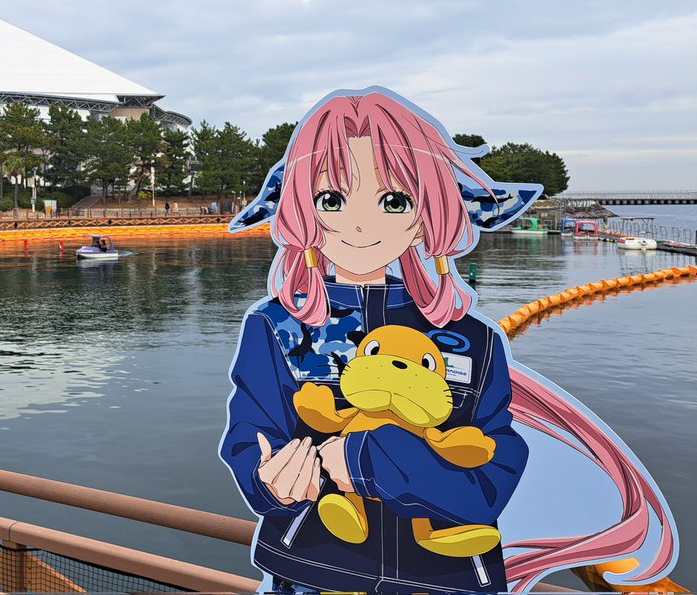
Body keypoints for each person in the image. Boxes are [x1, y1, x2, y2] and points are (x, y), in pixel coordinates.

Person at [220, 87, 676, 593]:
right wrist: (268, 481)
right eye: (331, 199)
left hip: (450, 578)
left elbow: (493, 475)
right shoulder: (275, 325)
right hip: (312, 573)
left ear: (427, 215)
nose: (359, 222)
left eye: (394, 200)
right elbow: (248, 438)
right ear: (303, 211)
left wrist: (370, 461)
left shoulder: (473, 337)